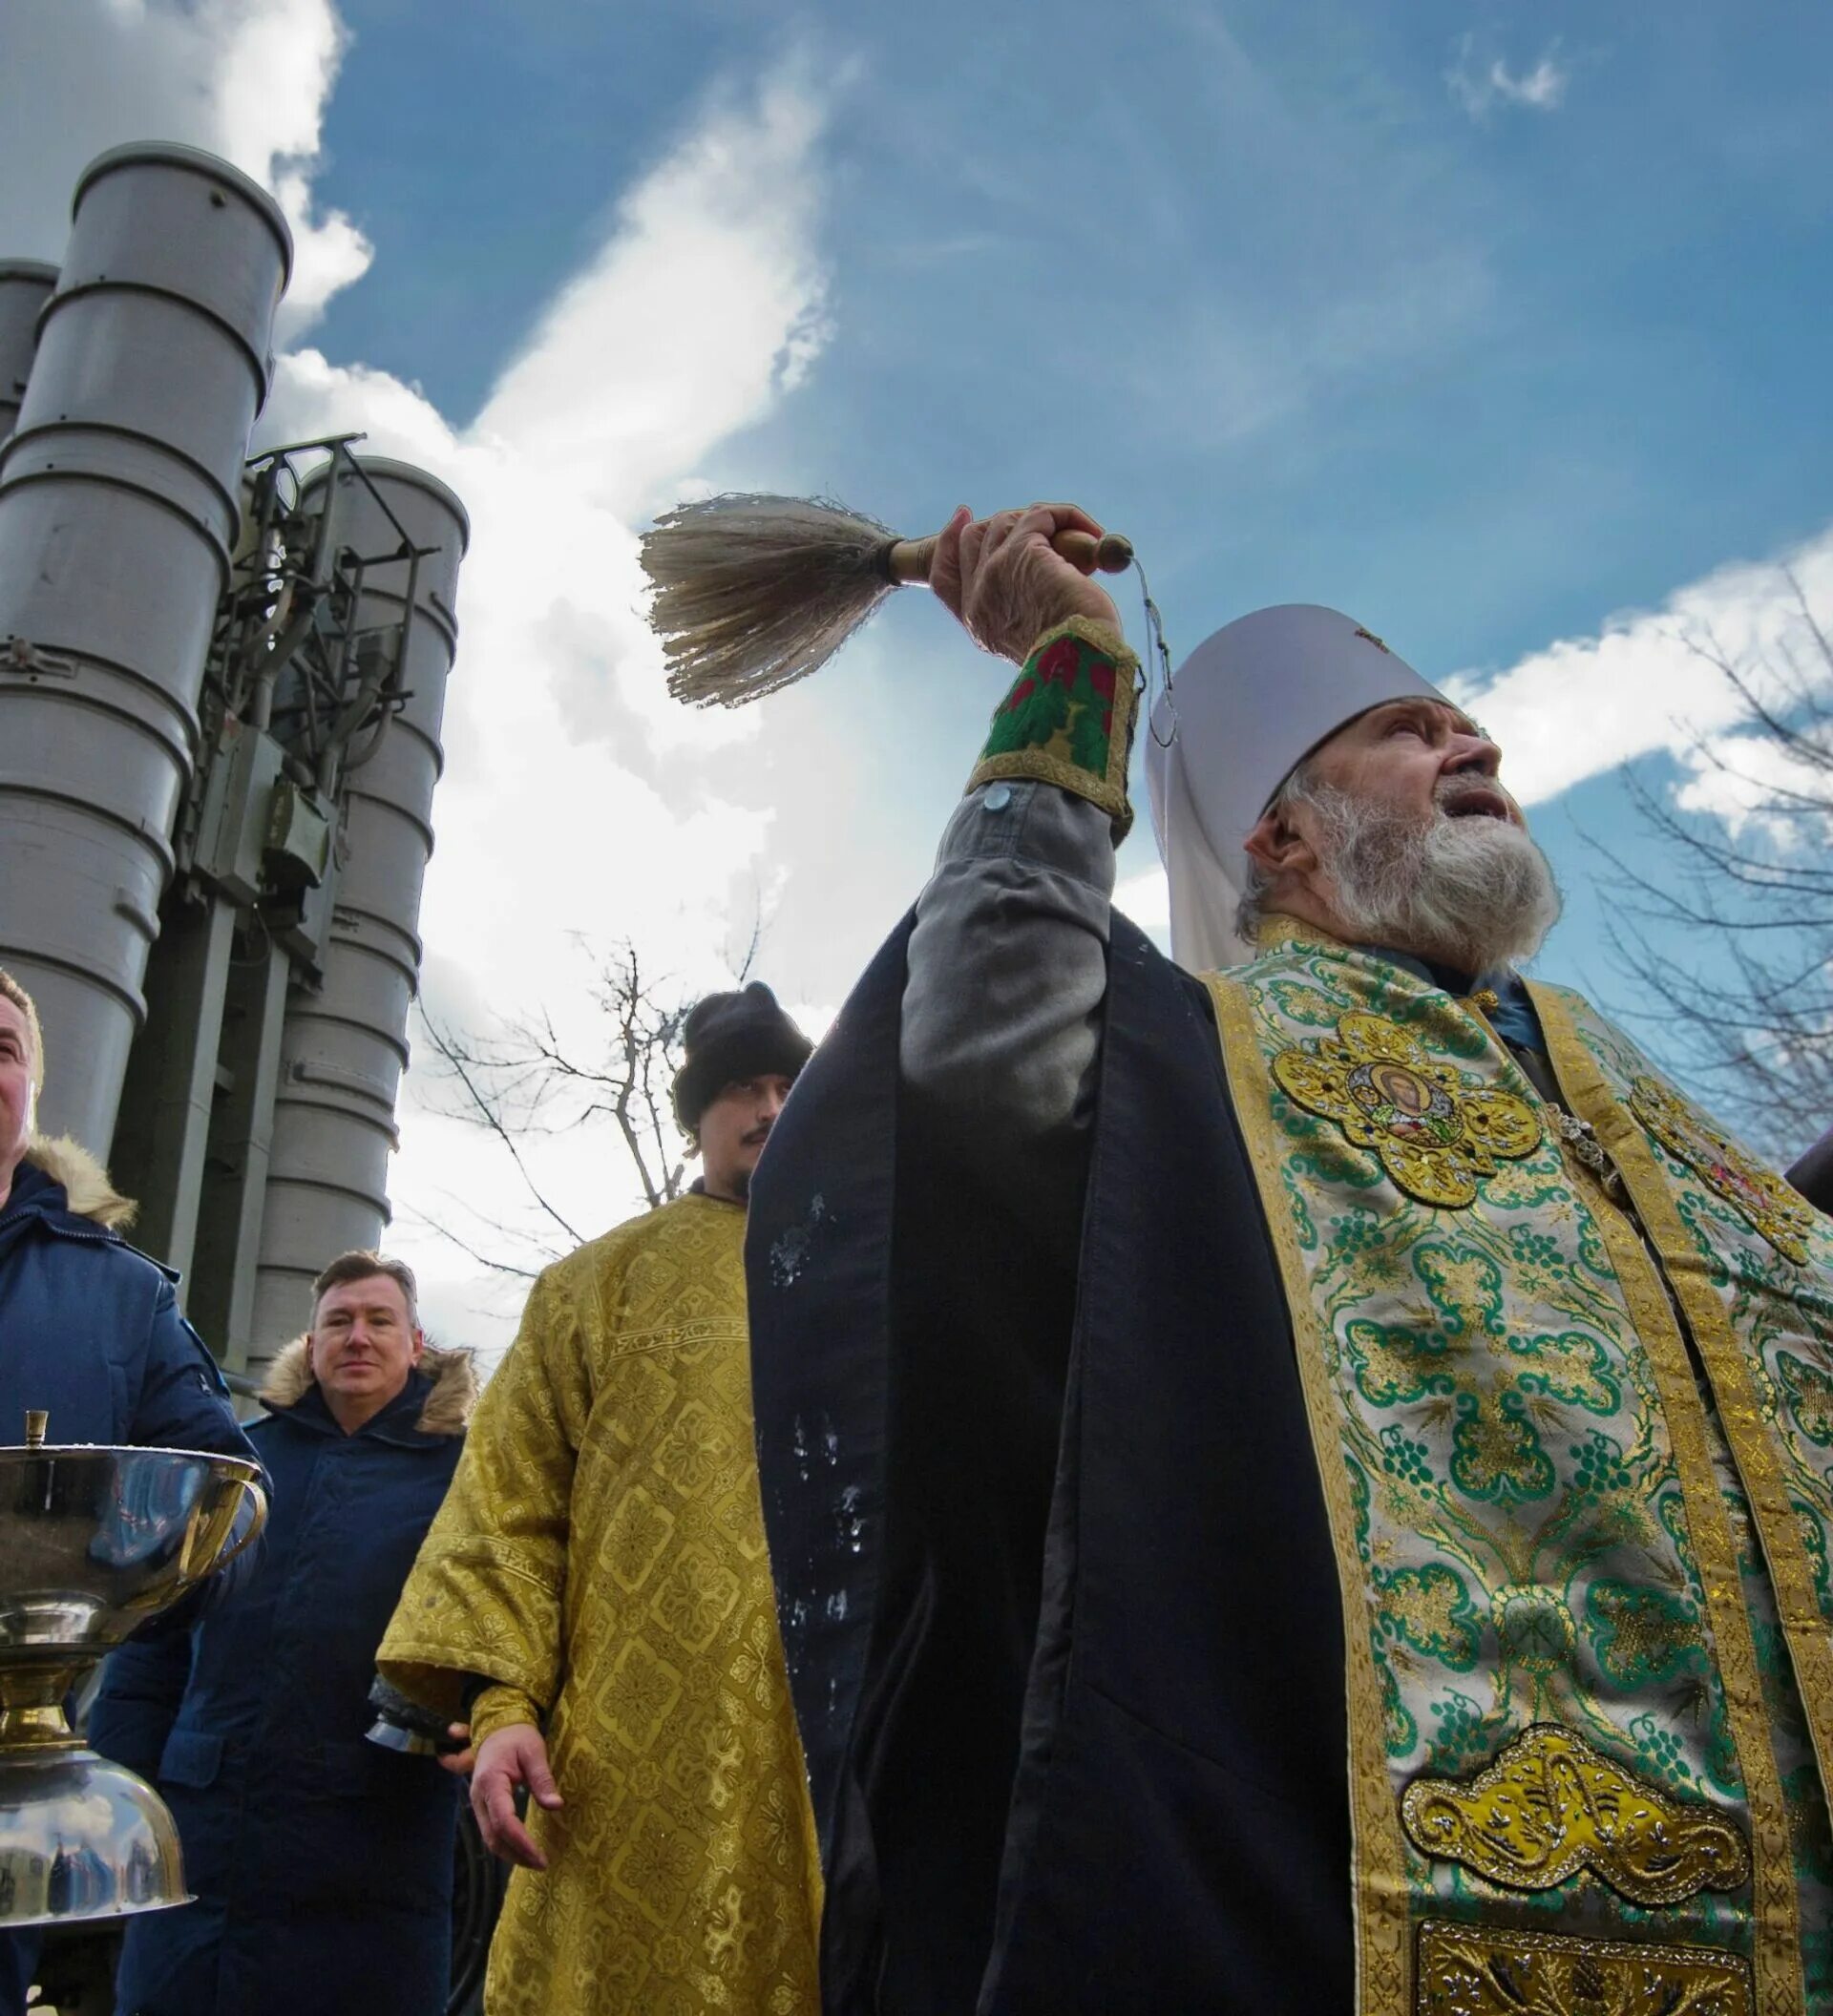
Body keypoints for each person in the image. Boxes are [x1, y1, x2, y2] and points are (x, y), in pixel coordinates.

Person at [743, 507, 1833, 2014]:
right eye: (1410, 731)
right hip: (1385, 1903)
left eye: (1474, 727)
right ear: (1283, 837)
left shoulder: (1623, 1089)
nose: (1474, 745)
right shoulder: (1209, 1064)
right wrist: (1074, 667)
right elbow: (985, 1045)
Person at [379, 982, 824, 2016]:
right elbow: (510, 1510)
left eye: (788, 1085)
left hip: (850, 1750)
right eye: (738, 1091)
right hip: (630, 1766)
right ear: (696, 1119)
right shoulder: (594, 1286)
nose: (767, 1108)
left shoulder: (886, 1266)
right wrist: (498, 1712)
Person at [88, 1250, 474, 2016]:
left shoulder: (466, 1480)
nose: (356, 1337)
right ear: (311, 1341)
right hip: (207, 1837)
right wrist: (117, 1796)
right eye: (338, 1321)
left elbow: (497, 1627)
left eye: (377, 1321)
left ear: (416, 1342)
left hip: (376, 1850)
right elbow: (154, 1638)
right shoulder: (236, 1465)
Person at [0, 967, 263, 2016]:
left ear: (30, 1097)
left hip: (15, 1782)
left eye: (4, 1046)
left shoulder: (121, 1294)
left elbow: (228, 1497)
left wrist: (127, 1574)